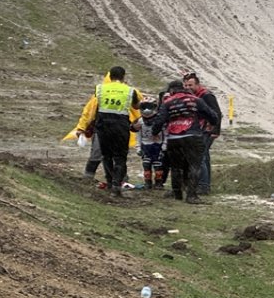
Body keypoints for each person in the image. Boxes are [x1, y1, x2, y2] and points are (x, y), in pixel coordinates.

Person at [77, 66, 142, 197]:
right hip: (121, 127)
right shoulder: (130, 90)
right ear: (124, 77)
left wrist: (82, 127)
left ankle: (110, 182)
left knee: (106, 156)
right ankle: (117, 185)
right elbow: (136, 106)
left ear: (109, 76)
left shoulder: (100, 89)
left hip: (103, 127)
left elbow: (91, 110)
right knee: (120, 157)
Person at [153, 80, 220, 204]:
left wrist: (154, 132)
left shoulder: (167, 102)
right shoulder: (196, 100)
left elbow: (159, 121)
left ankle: (177, 194)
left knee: (175, 167)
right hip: (193, 135)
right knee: (194, 165)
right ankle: (191, 195)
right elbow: (213, 115)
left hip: (173, 138)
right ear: (183, 88)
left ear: (171, 90)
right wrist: (211, 123)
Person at [183, 72, 222, 195]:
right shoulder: (193, 96)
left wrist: (216, 130)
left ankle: (203, 186)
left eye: (190, 85)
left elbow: (217, 113)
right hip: (200, 129)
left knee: (201, 157)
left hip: (207, 130)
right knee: (204, 157)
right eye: (186, 85)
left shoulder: (206, 96)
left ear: (198, 84)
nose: (188, 87)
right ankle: (204, 184)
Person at [133, 100, 166, 190]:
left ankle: (158, 183)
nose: (147, 110)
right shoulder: (140, 121)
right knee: (146, 165)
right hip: (145, 146)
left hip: (158, 145)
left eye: (149, 107)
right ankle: (148, 183)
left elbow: (165, 133)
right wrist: (138, 147)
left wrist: (164, 144)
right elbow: (138, 135)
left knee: (158, 165)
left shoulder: (160, 120)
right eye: (144, 107)